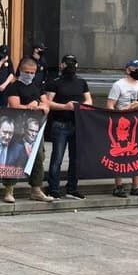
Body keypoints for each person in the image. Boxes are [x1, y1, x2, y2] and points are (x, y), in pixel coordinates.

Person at [0, 58, 54, 203]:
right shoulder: (14, 87)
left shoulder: (37, 86)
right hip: (18, 127)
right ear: (21, 71)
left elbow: (46, 105)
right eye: (27, 72)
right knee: (14, 156)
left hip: (35, 129)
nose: (29, 75)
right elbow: (15, 106)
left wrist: (40, 105)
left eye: (32, 72)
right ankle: (9, 190)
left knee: (39, 157)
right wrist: (31, 107)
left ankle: (36, 189)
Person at [45, 54, 92, 199]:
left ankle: (72, 188)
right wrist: (65, 106)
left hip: (77, 124)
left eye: (72, 63)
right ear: (61, 65)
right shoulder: (55, 82)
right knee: (57, 158)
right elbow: (48, 102)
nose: (70, 66)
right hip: (60, 123)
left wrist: (79, 106)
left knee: (75, 159)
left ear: (76, 65)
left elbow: (89, 101)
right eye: (67, 63)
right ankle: (53, 188)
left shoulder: (82, 82)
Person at [107, 59, 138, 198]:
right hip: (122, 123)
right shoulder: (118, 85)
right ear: (128, 70)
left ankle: (136, 186)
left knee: (137, 153)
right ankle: (118, 186)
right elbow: (110, 106)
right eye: (135, 68)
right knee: (120, 153)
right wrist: (125, 109)